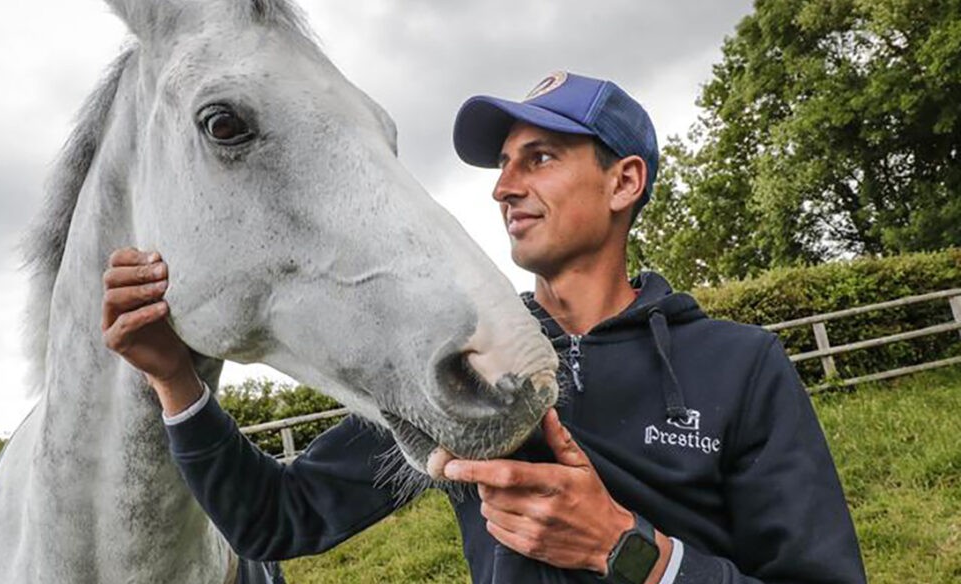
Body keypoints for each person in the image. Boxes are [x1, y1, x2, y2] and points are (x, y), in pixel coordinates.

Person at [102, 72, 867, 583]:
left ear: (623, 182)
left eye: (539, 158)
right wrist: (176, 377)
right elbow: (276, 518)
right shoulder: (466, 364)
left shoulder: (741, 365)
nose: (505, 188)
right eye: (503, 165)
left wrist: (631, 553)